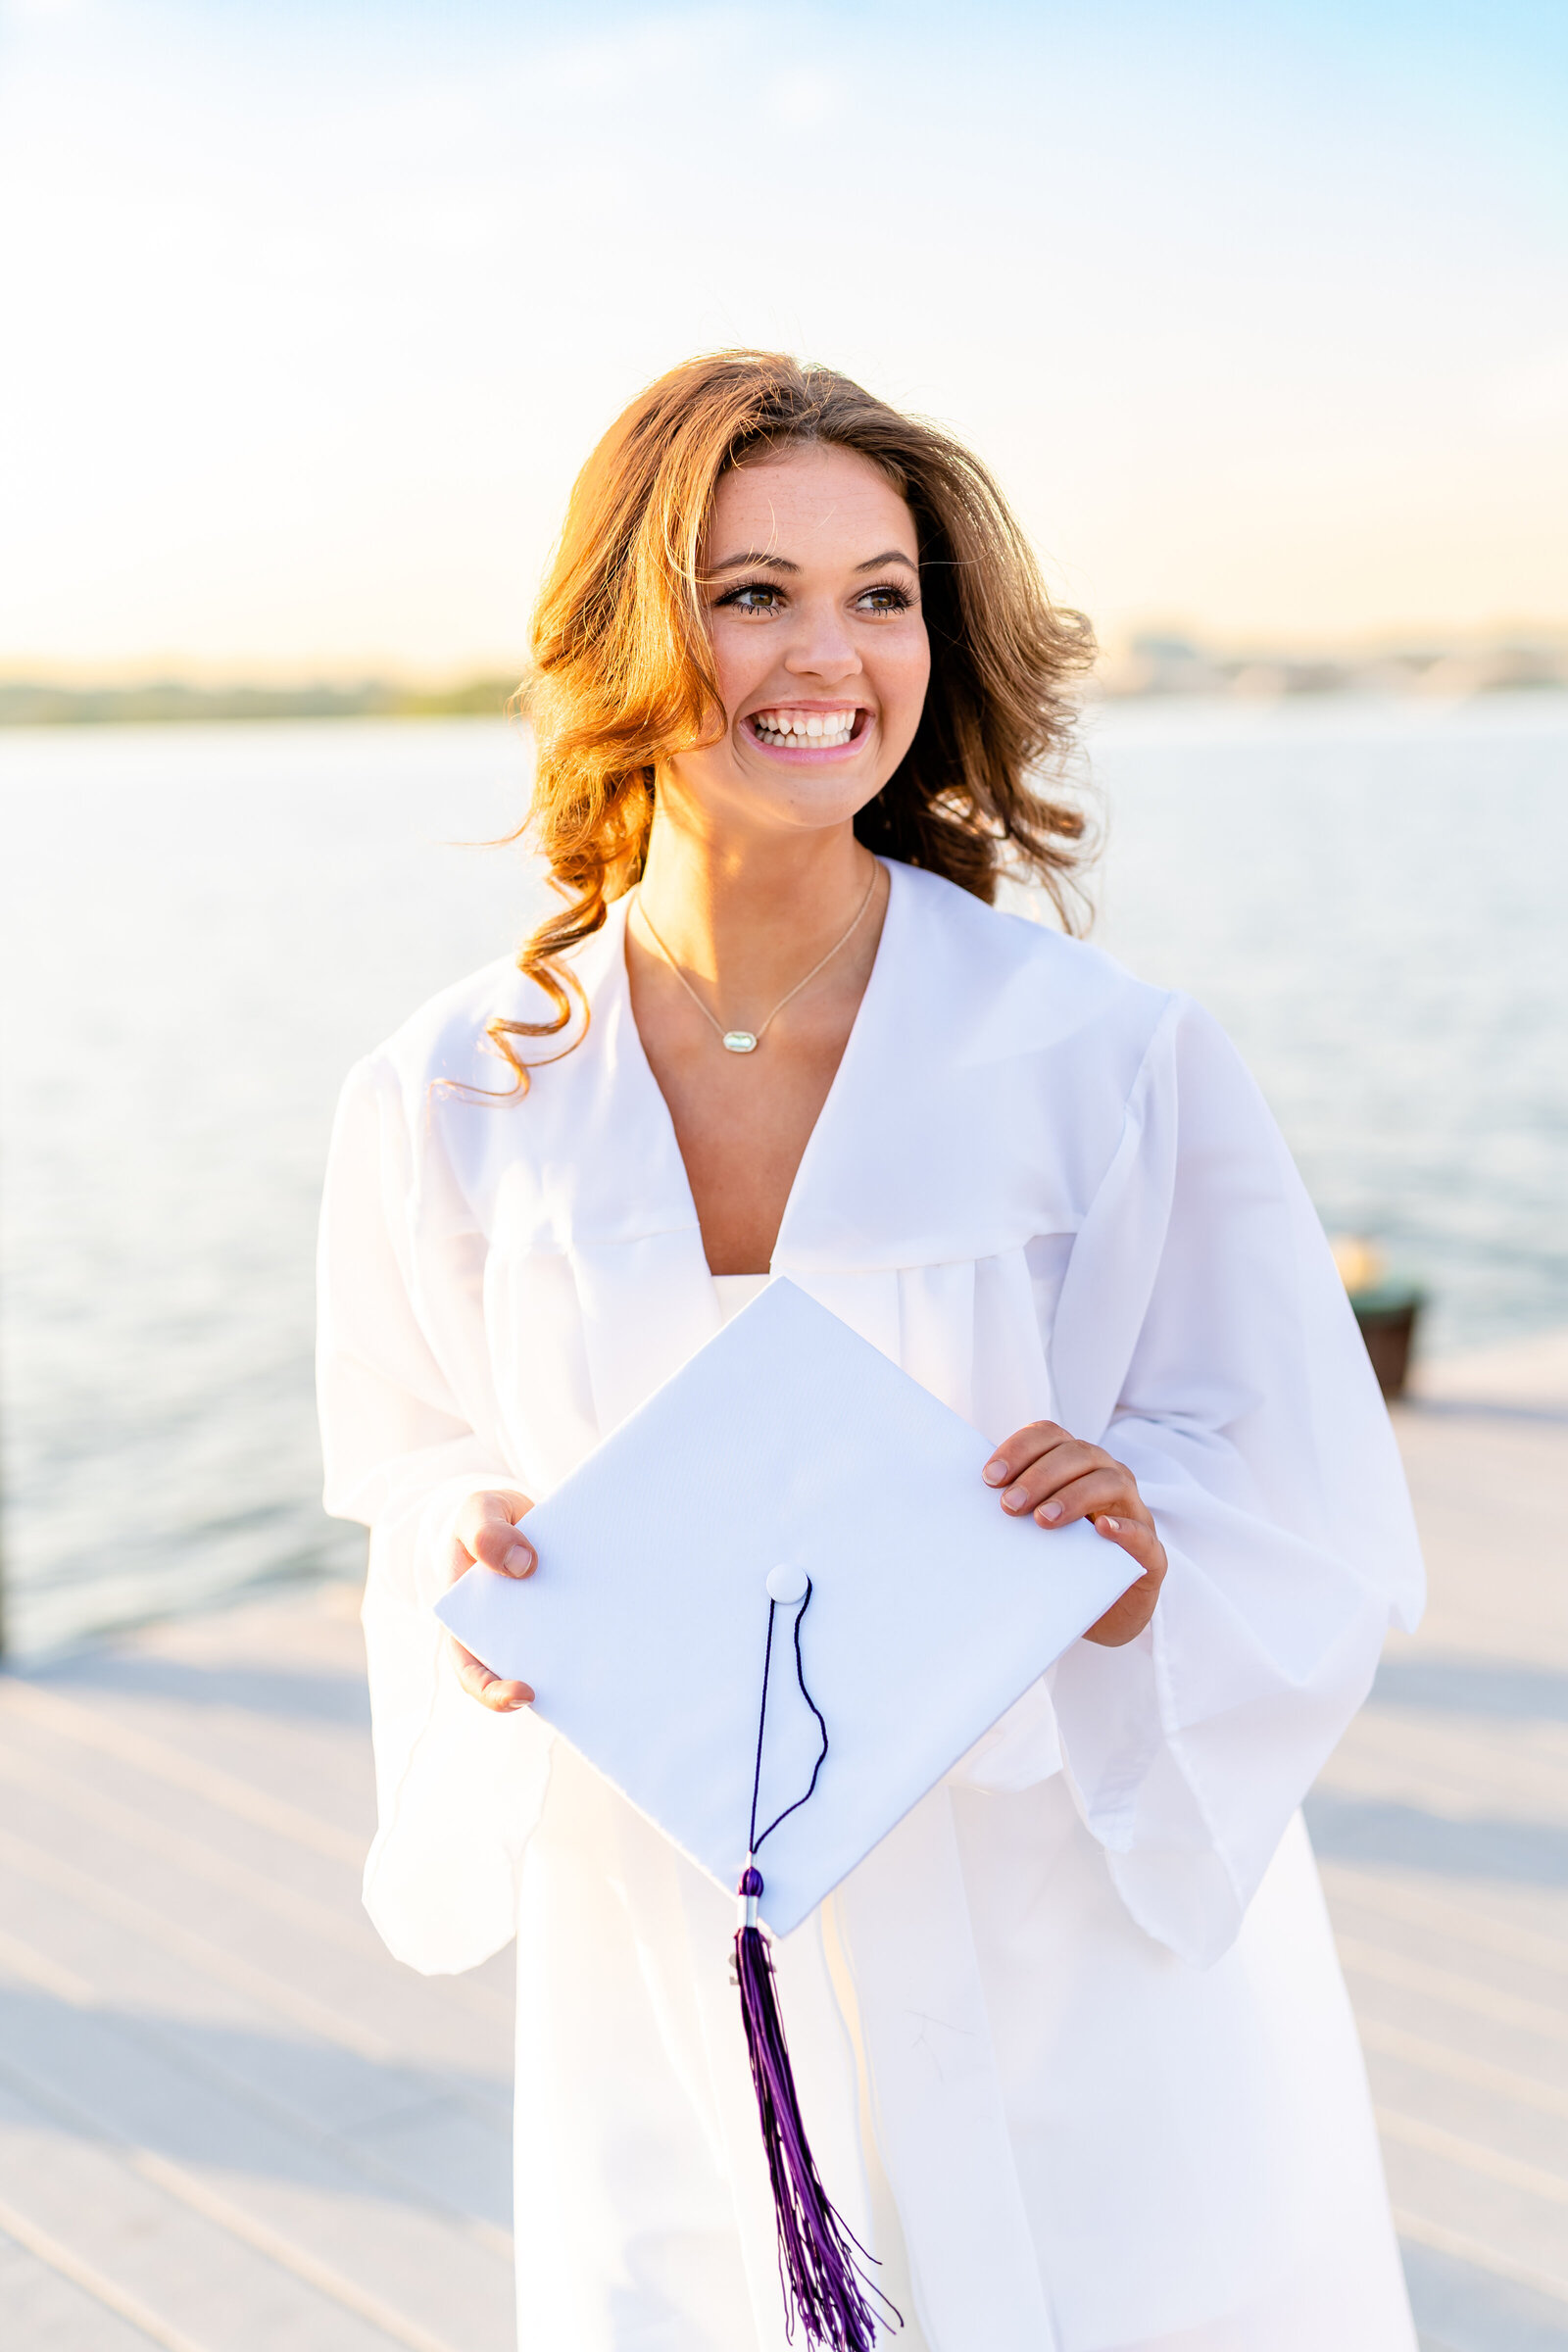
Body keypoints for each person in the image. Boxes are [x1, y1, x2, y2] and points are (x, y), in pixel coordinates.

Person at [317, 352, 1424, 2352]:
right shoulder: (454, 1094)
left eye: (880, 591)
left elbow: (1296, 1498)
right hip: (675, 1951)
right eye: (750, 590)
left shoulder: (1102, 1063)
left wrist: (1134, 1542)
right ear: (624, 634)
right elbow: (402, 1471)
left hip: (1053, 1931)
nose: (825, 652)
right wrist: (459, 1559)